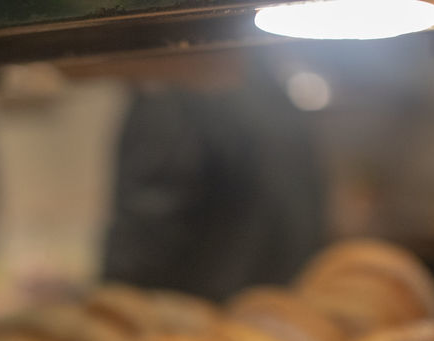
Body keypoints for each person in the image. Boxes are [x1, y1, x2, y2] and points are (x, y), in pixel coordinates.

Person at [103, 60, 328, 301]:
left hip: (192, 316)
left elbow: (146, 228)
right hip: (269, 313)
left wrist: (110, 297)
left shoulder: (170, 96)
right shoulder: (274, 95)